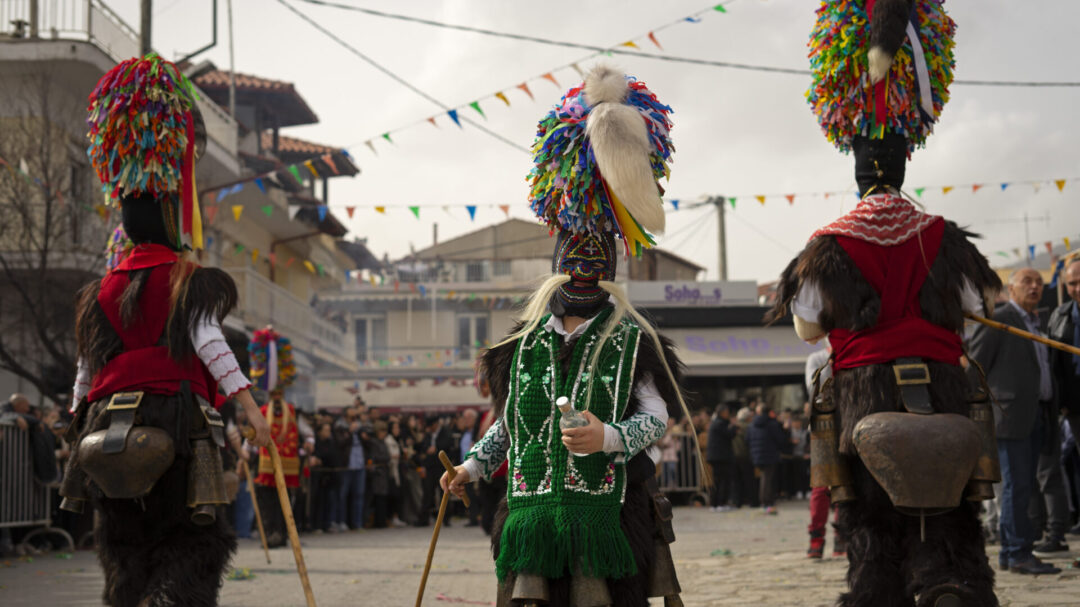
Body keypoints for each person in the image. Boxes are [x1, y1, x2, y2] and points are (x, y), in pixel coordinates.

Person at [768, 2, 1004, 604]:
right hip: (944, 391)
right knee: (950, 513)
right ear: (903, 165)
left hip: (863, 397)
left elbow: (805, 328)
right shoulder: (943, 235)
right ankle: (948, 580)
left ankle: (876, 591)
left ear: (856, 171)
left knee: (870, 516)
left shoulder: (828, 245)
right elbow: (978, 304)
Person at [442, 64, 690, 606]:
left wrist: (609, 437)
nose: (582, 270)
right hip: (532, 517)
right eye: (572, 258)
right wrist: (470, 466)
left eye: (594, 261)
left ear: (611, 272)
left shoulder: (634, 341)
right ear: (556, 265)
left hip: (610, 515)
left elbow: (655, 418)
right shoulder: (521, 346)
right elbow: (510, 426)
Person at [59, 53, 270, 607]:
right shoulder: (186, 279)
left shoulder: (100, 291)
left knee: (123, 550)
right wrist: (250, 412)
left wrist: (75, 418)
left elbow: (87, 369)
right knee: (194, 543)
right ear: (173, 217)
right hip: (174, 420)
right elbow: (211, 346)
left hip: (103, 427)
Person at [969, 269, 1065, 573]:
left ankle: (1016, 551)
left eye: (1039, 282)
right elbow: (976, 367)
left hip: (1038, 412)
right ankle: (1016, 551)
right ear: (1011, 288)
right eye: (1027, 282)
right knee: (1015, 487)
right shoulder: (999, 318)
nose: (1035, 287)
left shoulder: (1036, 321)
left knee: (1027, 486)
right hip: (1009, 416)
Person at [1049, 258, 1080, 538]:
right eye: (1072, 283)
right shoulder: (1059, 316)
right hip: (1076, 405)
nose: (1077, 288)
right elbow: (1054, 364)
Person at [748, 403, 787, 514]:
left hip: (756, 454)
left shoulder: (752, 424)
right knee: (767, 478)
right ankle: (766, 501)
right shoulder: (772, 424)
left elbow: (748, 439)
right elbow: (780, 439)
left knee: (764, 477)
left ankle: (765, 500)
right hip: (769, 454)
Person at [706, 404, 738, 511]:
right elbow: (729, 434)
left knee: (719, 480)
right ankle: (720, 503)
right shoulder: (719, 424)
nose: (728, 415)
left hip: (718, 457)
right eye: (727, 412)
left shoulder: (717, 423)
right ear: (722, 413)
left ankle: (717, 504)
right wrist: (734, 426)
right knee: (722, 480)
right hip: (720, 457)